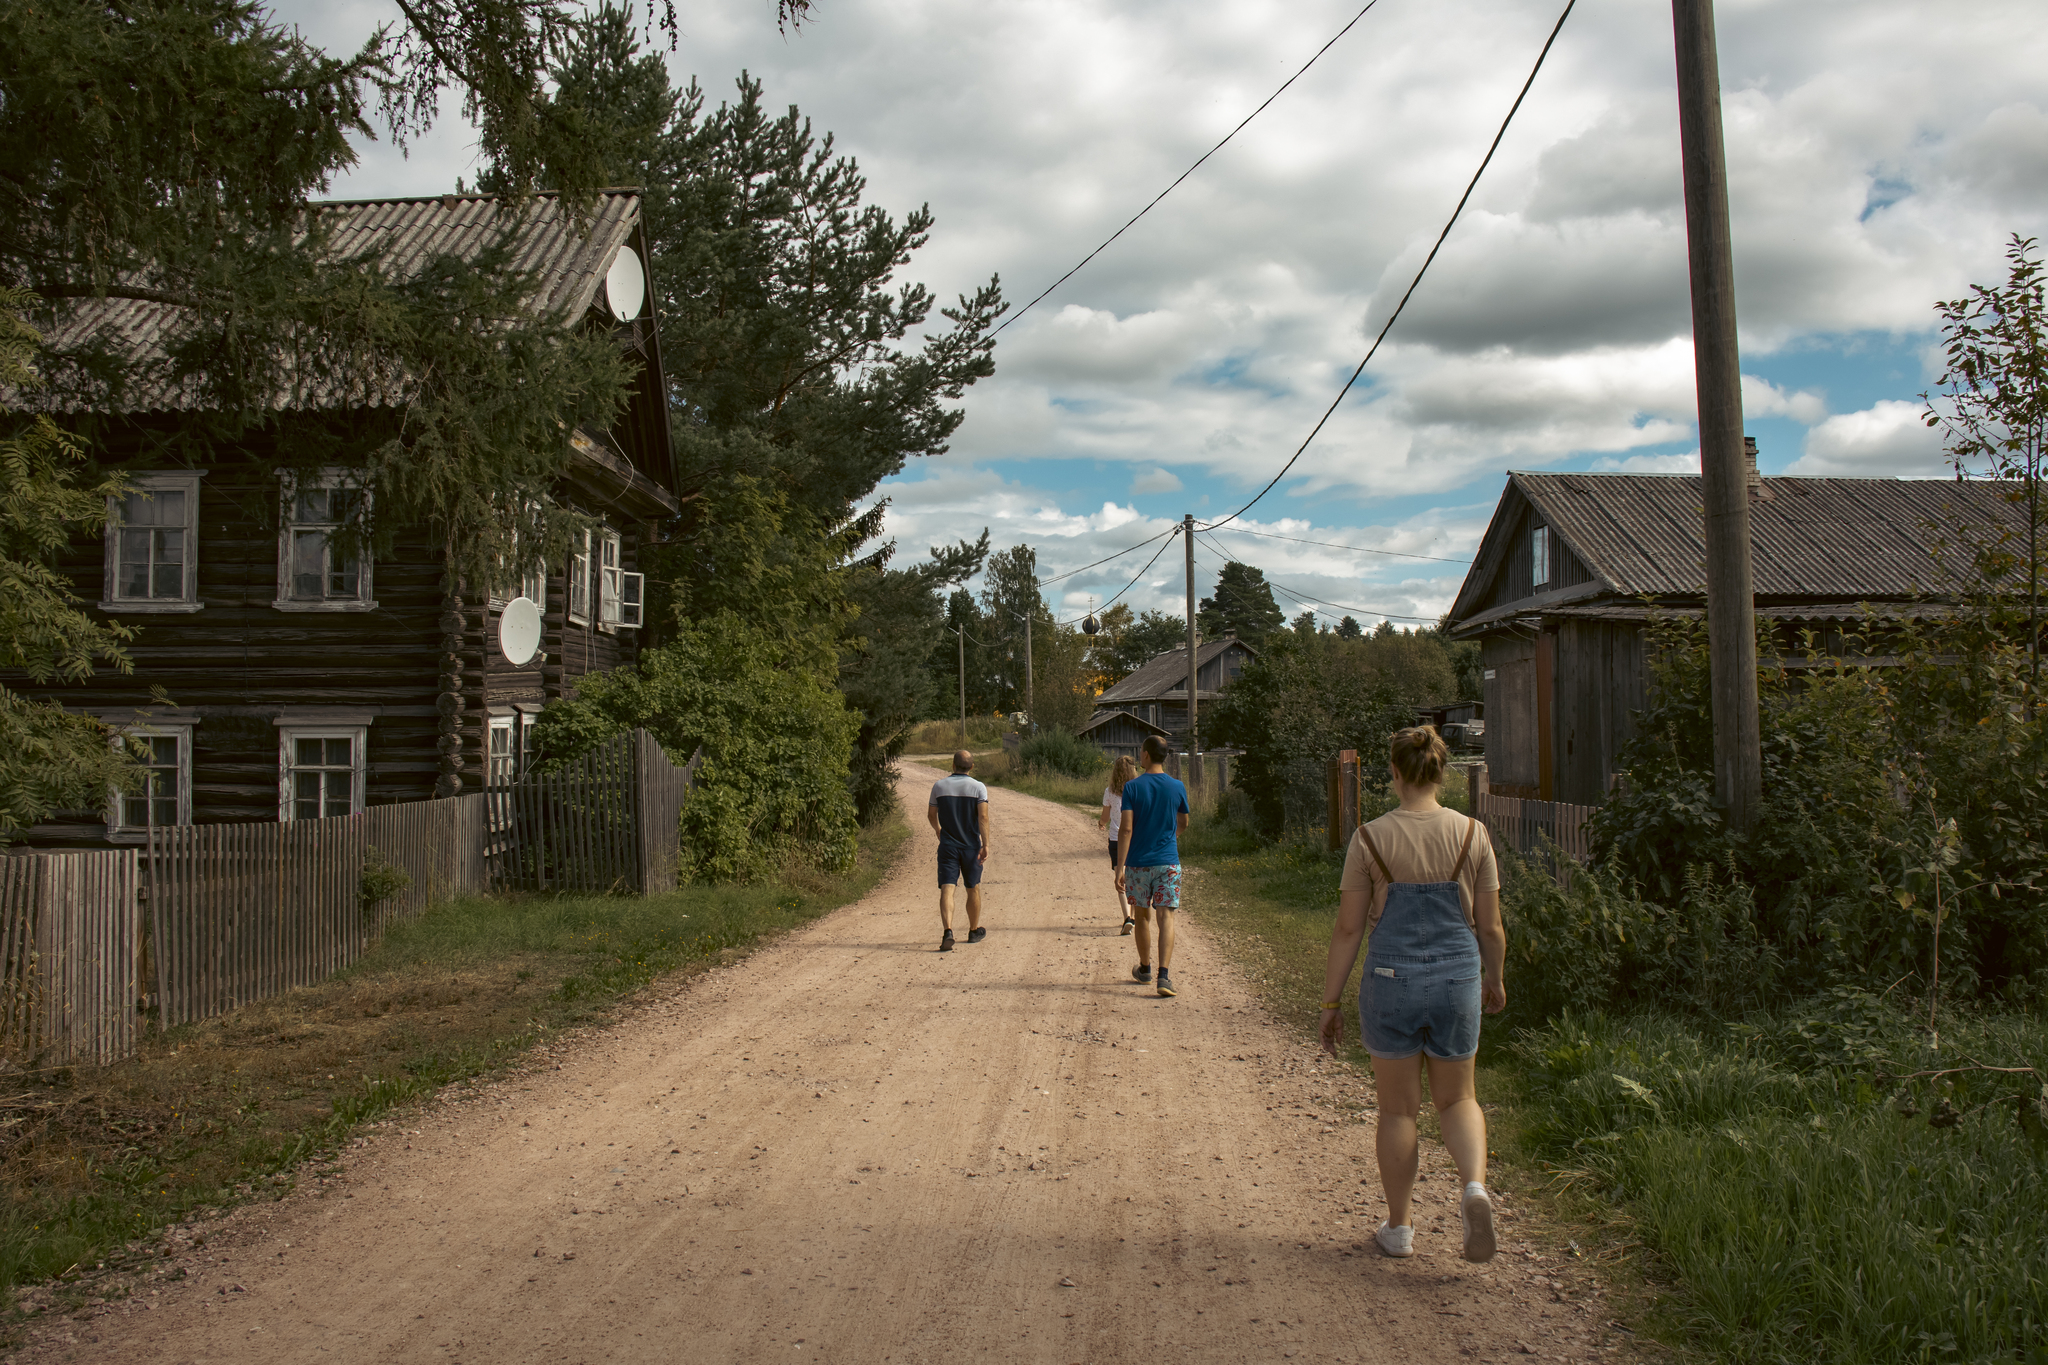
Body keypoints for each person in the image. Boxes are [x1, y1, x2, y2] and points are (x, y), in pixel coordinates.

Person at [1318, 725, 1506, 1263]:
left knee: (1399, 1112)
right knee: (1459, 1099)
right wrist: (1493, 977)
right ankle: (1473, 1187)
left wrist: (1331, 1004)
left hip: (1390, 982)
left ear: (1395, 774)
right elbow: (1490, 928)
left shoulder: (1370, 838)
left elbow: (1349, 930)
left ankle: (1399, 1228)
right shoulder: (1473, 835)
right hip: (1456, 980)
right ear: (1440, 772)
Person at [1114, 735, 1189, 997]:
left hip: (1139, 864)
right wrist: (1169, 840)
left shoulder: (1132, 788)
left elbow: (1125, 829)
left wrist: (1119, 867)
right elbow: (1184, 823)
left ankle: (1145, 968)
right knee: (1166, 916)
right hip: (1168, 861)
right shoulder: (1177, 786)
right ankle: (1164, 977)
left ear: (1145, 755)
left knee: (1143, 916)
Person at [927, 750, 991, 952]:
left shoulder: (939, 786)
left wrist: (938, 830)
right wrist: (985, 844)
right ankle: (973, 931)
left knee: (948, 888)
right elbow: (983, 818)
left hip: (948, 846)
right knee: (973, 887)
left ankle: (948, 931)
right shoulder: (978, 787)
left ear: (952, 766)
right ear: (971, 767)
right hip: (971, 846)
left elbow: (931, 814)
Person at [1097, 755, 1140, 934]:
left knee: (1120, 876)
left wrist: (1101, 823)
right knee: (1135, 878)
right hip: (1136, 837)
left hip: (1116, 838)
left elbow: (1106, 816)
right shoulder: (1138, 789)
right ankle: (1135, 917)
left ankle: (1126, 917)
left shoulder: (1110, 791)